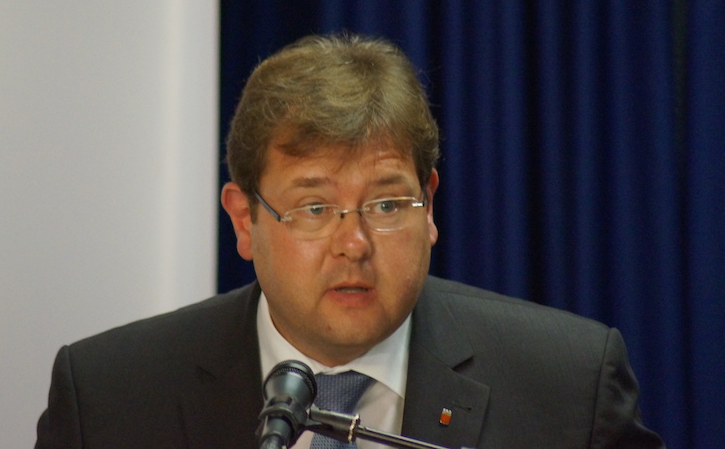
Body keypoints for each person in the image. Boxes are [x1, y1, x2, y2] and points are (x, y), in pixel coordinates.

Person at [35, 33, 664, 448]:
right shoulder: (110, 399)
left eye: (386, 204)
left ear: (430, 206)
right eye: (314, 208)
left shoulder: (568, 388)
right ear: (244, 221)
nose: (354, 243)